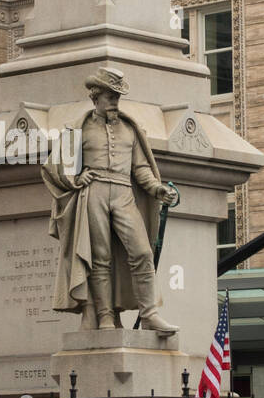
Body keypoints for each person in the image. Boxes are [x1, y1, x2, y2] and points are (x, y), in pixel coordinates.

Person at [42, 66, 179, 335]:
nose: (115, 102)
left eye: (117, 97)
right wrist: (75, 180)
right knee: (100, 258)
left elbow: (140, 168)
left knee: (142, 252)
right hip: (94, 192)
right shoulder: (78, 128)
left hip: (123, 192)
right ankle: (105, 316)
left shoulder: (130, 129)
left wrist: (156, 189)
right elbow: (57, 167)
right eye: (110, 96)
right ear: (96, 97)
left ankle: (149, 313)